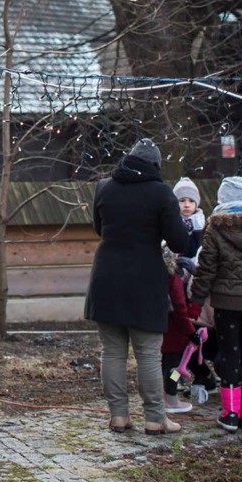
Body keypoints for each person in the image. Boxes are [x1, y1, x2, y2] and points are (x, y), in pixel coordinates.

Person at [84, 138, 190, 434]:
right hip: (145, 280)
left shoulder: (104, 187)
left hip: (106, 277)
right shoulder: (161, 193)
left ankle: (118, 415)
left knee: (112, 352)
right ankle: (156, 418)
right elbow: (180, 240)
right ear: (155, 165)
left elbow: (99, 228)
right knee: (147, 353)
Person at [189, 175, 242, 434]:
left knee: (230, 353)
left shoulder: (216, 226)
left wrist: (195, 303)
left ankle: (230, 414)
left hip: (226, 303)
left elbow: (206, 268)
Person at [161, 247, 195, 415]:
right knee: (175, 369)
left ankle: (162, 395)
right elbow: (179, 308)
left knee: (161, 366)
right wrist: (191, 332)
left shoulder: (153, 276)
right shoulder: (172, 278)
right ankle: (171, 399)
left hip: (157, 331)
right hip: (174, 333)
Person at [174, 177, 206, 258]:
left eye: (191, 201)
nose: (187, 205)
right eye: (182, 200)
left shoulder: (201, 222)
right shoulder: (171, 221)